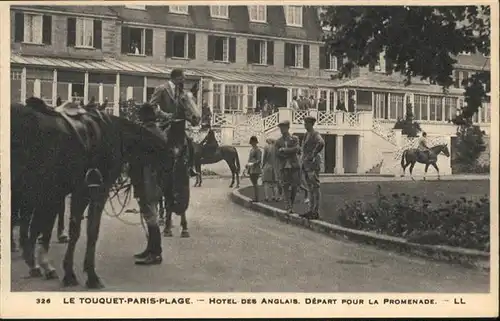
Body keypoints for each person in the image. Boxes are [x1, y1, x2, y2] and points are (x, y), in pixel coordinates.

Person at [129, 103, 165, 265]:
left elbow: (139, 156)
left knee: (151, 216)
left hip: (148, 180)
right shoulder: (156, 132)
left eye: (140, 117)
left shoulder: (148, 133)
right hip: (151, 180)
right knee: (150, 214)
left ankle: (155, 253)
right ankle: (151, 249)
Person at [149, 68, 198, 177]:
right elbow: (152, 106)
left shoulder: (181, 92)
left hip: (178, 124)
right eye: (183, 77)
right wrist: (164, 115)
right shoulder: (161, 89)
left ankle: (190, 167)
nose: (184, 80)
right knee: (155, 142)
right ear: (177, 78)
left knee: (189, 143)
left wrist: (191, 117)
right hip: (163, 123)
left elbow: (185, 107)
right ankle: (152, 167)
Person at [300, 116, 325, 220]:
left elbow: (321, 143)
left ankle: (316, 211)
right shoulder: (306, 134)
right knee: (310, 188)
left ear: (311, 124)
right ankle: (311, 210)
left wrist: (313, 154)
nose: (305, 125)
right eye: (304, 123)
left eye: (306, 123)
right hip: (306, 164)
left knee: (315, 187)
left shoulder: (315, 134)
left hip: (313, 165)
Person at [275, 120, 301, 213]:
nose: (282, 129)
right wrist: (288, 152)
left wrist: (285, 150)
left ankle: (291, 205)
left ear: (288, 127)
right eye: (281, 128)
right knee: (285, 186)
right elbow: (277, 154)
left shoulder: (294, 139)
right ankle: (288, 207)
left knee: (294, 186)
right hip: (284, 166)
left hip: (293, 166)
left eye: (284, 127)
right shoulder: (278, 141)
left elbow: (297, 149)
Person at [246, 136, 262, 202]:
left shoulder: (258, 150)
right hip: (251, 168)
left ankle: (257, 198)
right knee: (254, 183)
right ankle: (255, 197)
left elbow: (259, 160)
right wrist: (247, 165)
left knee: (255, 183)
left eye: (253, 142)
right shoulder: (252, 149)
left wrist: (252, 164)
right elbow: (250, 159)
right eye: (251, 142)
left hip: (255, 168)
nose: (252, 144)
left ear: (255, 142)